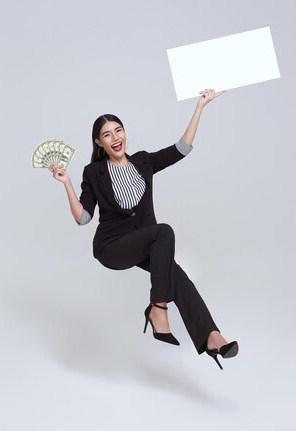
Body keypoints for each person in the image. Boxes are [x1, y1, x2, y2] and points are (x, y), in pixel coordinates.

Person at [49, 89, 238, 369]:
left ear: (125, 133)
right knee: (164, 231)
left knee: (180, 277)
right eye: (107, 135)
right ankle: (158, 308)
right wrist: (66, 183)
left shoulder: (144, 162)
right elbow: (83, 218)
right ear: (99, 142)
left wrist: (200, 107)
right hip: (112, 247)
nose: (115, 138)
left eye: (118, 130)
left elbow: (181, 149)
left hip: (145, 243)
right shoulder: (93, 173)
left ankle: (211, 336)